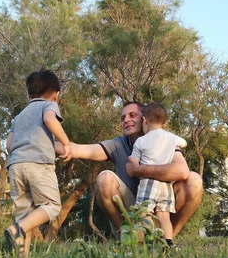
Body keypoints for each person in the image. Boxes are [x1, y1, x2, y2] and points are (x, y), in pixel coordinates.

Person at [69, 101, 203, 240]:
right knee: (104, 179)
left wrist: (139, 170)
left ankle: (167, 240)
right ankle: (128, 239)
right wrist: (50, 145)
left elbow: (182, 171)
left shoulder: (164, 140)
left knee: (194, 181)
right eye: (123, 118)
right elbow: (81, 149)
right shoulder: (117, 144)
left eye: (132, 115)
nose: (126, 120)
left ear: (144, 118)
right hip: (134, 209)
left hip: (162, 206)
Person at [3, 70, 71, 258]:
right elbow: (50, 120)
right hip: (38, 164)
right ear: (55, 93)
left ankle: (21, 256)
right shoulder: (48, 106)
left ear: (28, 95)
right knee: (51, 206)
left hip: (16, 166)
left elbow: (9, 145)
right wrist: (65, 143)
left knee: (24, 215)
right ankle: (18, 229)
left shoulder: (19, 117)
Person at [130, 102, 186, 246]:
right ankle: (168, 242)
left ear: (145, 120)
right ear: (164, 123)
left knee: (144, 212)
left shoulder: (141, 141)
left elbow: (134, 162)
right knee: (164, 215)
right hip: (166, 184)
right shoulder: (172, 138)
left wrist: (132, 163)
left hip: (148, 182)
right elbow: (183, 143)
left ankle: (151, 241)